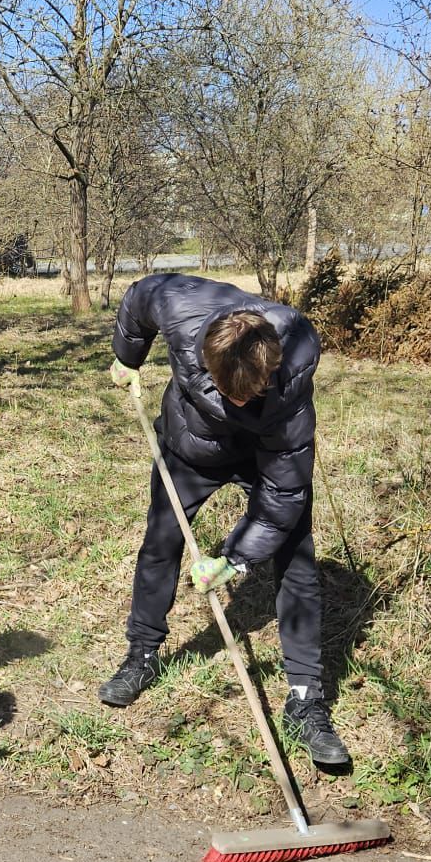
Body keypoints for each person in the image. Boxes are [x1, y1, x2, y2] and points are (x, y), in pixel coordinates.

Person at [98, 273, 349, 770]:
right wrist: (127, 358)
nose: (236, 404)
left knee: (296, 562)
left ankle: (305, 700)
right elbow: (138, 298)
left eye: (247, 396)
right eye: (224, 391)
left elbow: (284, 493)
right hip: (192, 449)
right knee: (162, 542)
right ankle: (141, 655)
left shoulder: (291, 370)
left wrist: (233, 562)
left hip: (268, 458)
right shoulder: (181, 307)